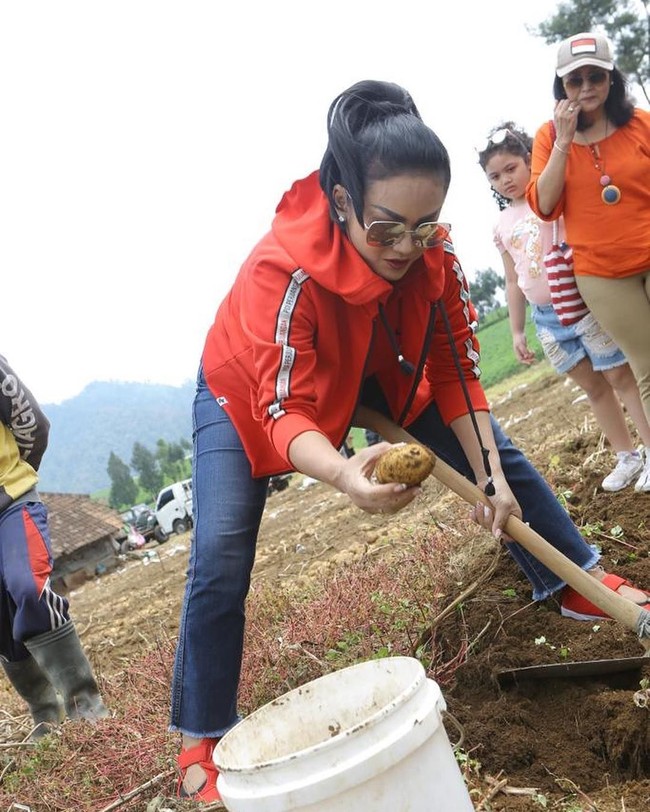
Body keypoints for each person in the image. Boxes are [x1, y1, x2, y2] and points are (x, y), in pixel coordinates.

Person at [169, 80, 650, 803]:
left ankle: (577, 579)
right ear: (342, 203)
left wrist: (490, 476)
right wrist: (344, 474)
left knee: (496, 457)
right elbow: (283, 411)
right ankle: (202, 733)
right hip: (252, 389)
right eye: (385, 229)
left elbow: (455, 369)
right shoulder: (285, 272)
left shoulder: (432, 257)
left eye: (424, 228)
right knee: (223, 548)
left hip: (377, 364)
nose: (405, 247)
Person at [478, 123, 650, 492]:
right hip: (547, 319)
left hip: (585, 302)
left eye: (511, 168)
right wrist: (517, 330)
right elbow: (512, 281)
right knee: (593, 387)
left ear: (529, 160)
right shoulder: (501, 226)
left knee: (620, 376)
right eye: (495, 176)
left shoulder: (550, 198)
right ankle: (627, 456)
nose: (505, 180)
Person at [526, 31, 650, 490]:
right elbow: (544, 206)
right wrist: (563, 141)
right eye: (574, 80)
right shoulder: (547, 137)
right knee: (645, 366)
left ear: (611, 78)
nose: (585, 87)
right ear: (561, 86)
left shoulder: (640, 124)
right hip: (603, 274)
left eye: (595, 76)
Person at [0, 354, 108, 739]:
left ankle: (86, 705)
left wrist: (16, 479)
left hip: (11, 500)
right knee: (2, 625)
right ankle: (46, 716)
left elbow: (31, 422)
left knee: (28, 586)